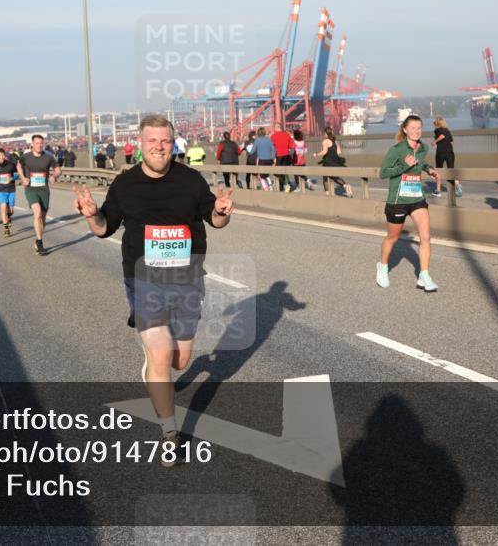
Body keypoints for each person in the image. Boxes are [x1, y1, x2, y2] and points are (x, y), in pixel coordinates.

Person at [73, 113, 234, 465]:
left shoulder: (191, 181)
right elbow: (104, 227)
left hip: (187, 279)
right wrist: (90, 214)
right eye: (152, 141)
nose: (159, 146)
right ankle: (169, 432)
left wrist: (223, 211)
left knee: (179, 360)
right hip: (143, 279)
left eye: (165, 141)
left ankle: (154, 367)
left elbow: (215, 219)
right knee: (161, 354)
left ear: (173, 143)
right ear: (140, 144)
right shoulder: (125, 185)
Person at [377, 115, 440, 292]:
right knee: (393, 238)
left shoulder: (423, 147)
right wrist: (404, 166)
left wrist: (429, 169)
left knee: (426, 237)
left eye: (419, 127)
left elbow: (420, 162)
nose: (417, 131)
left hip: (416, 198)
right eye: (413, 128)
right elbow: (383, 173)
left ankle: (424, 275)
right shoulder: (396, 149)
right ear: (405, 130)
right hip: (398, 201)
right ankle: (382, 267)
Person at [18, 134, 61, 255]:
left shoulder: (48, 157)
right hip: (31, 189)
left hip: (44, 190)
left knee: (42, 217)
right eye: (37, 143)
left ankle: (38, 239)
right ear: (32, 144)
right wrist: (23, 178)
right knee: (37, 214)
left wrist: (54, 176)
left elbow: (58, 169)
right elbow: (19, 166)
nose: (39, 145)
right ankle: (41, 243)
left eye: (41, 143)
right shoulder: (26, 157)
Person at [314, 127, 353, 197]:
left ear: (325, 133)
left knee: (325, 178)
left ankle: (327, 194)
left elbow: (324, 152)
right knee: (335, 177)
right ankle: (345, 185)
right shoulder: (334, 141)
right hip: (335, 161)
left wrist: (316, 154)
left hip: (328, 161)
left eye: (324, 133)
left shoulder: (325, 141)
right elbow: (339, 152)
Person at [0, 148, 17, 237]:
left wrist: (12, 178)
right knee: (3, 207)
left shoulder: (11, 165)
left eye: (2, 155)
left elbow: (17, 174)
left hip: (11, 189)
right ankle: (6, 229)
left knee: (11, 211)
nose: (1, 157)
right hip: (0, 189)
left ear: (5, 155)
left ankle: (9, 217)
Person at [431, 117, 462, 198]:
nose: (434, 126)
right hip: (450, 152)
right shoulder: (447, 130)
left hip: (441, 153)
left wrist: (435, 141)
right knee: (451, 170)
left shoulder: (437, 130)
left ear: (437, 124)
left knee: (438, 171)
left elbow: (442, 136)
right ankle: (457, 184)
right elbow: (452, 141)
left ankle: (438, 191)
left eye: (435, 124)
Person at [269, 122, 293, 191]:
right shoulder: (287, 135)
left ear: (276, 128)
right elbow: (291, 146)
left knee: (278, 172)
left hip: (278, 156)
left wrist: (272, 157)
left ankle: (283, 186)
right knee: (284, 171)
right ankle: (287, 184)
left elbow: (271, 148)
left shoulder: (273, 136)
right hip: (286, 155)